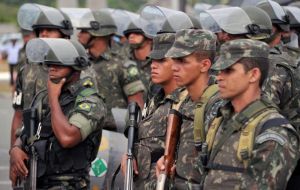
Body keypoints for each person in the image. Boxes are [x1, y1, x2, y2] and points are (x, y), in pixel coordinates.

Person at [9, 38, 106, 189]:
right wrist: (15, 149)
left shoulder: (90, 100)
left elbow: (67, 138)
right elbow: (26, 132)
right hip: (35, 181)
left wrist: (53, 97)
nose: (51, 68)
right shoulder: (42, 97)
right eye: (49, 64)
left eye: (58, 64)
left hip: (68, 184)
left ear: (76, 67)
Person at [203, 39, 299, 189]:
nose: (219, 77)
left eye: (228, 70)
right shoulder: (221, 120)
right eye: (219, 71)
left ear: (253, 75)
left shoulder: (273, 130)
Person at [156, 29, 221, 189]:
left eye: (183, 61)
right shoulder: (181, 98)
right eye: (174, 60)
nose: (174, 68)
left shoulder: (217, 105)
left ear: (205, 65)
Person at [121, 32, 182, 189]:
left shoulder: (185, 103)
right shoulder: (155, 97)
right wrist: (130, 153)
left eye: (161, 60)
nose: (153, 65)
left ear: (178, 63)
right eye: (153, 59)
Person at [11, 4, 73, 148]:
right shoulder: (27, 69)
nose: (43, 34)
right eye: (40, 31)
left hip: (62, 152)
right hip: (26, 148)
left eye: (50, 30)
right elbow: (18, 115)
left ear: (65, 35)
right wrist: (14, 151)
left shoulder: (77, 70)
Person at [77, 10, 145, 130]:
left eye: (83, 31)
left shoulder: (123, 65)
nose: (79, 34)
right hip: (83, 134)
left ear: (97, 33)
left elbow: (136, 106)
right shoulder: (79, 63)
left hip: (114, 137)